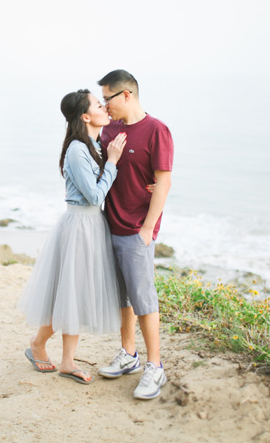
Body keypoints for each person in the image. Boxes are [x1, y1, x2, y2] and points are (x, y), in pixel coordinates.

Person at [18, 89, 128, 384]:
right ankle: (39, 344)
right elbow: (93, 195)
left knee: (74, 294)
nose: (104, 107)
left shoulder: (95, 144)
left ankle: (66, 360)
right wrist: (114, 163)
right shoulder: (78, 149)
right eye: (97, 104)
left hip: (92, 226)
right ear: (85, 116)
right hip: (80, 225)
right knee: (70, 293)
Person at [97, 69, 173, 400]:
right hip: (109, 226)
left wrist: (147, 229)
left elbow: (164, 181)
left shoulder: (156, 130)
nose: (105, 106)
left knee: (144, 300)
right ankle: (129, 355)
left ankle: (155, 367)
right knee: (123, 299)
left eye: (108, 99)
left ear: (126, 95)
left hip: (136, 231)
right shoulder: (109, 130)